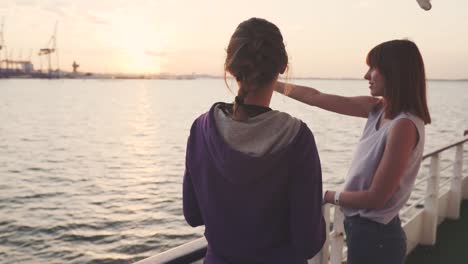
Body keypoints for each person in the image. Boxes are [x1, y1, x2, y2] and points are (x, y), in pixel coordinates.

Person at [183, 17, 325, 263]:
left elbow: (193, 214)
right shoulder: (297, 138)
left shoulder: (201, 129)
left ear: (230, 67)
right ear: (282, 67)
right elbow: (308, 241)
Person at [276, 39, 431, 264]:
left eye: (373, 68)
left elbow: (376, 198)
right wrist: (273, 83)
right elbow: (315, 97)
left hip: (378, 239)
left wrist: (327, 195)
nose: (366, 76)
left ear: (394, 72)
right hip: (363, 232)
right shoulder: (377, 109)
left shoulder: (404, 126)